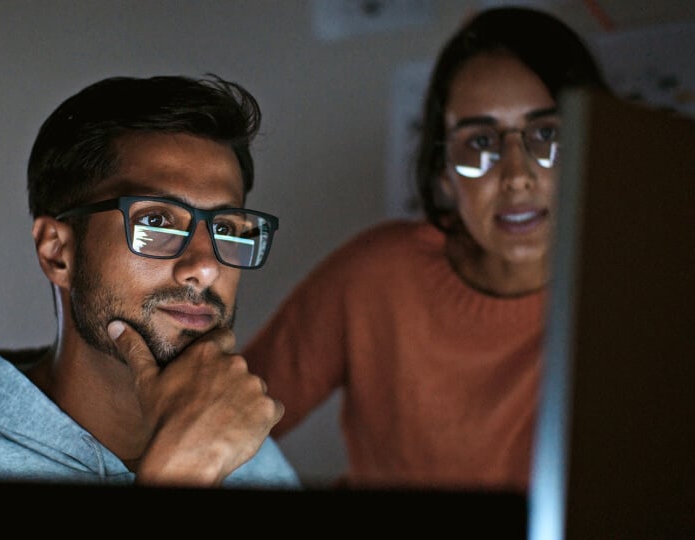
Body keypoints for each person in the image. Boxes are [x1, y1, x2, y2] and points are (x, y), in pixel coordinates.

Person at [0, 74, 300, 537]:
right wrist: (181, 479)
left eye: (228, 227)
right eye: (156, 220)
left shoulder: (246, 449)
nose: (205, 268)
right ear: (57, 252)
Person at [243, 6, 610, 491]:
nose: (517, 175)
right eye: (480, 142)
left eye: (547, 134)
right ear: (443, 171)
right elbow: (223, 423)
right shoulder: (376, 277)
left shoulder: (638, 296)